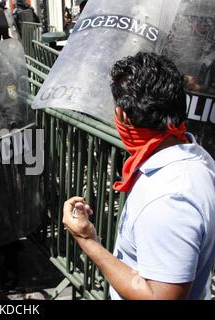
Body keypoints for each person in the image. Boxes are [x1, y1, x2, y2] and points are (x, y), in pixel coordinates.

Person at [62, 52, 215, 300]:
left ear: (122, 115)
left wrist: (87, 241)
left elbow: (160, 296)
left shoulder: (169, 197)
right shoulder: (194, 154)